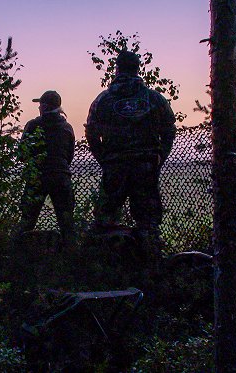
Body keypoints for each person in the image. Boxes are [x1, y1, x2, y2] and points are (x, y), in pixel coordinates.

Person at [85, 50, 176, 244]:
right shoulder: (155, 99)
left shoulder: (102, 100)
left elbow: (91, 132)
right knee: (148, 223)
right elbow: (169, 130)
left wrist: (104, 159)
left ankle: (107, 264)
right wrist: (159, 156)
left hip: (114, 166)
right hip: (145, 166)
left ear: (116, 70)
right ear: (138, 69)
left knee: (104, 220)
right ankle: (149, 265)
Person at [16, 90, 76, 246]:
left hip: (37, 177)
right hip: (61, 176)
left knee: (27, 219)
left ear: (43, 106)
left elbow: (22, 155)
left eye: (40, 104)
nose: (38, 108)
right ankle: (72, 256)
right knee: (66, 222)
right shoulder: (67, 128)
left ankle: (17, 253)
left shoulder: (33, 125)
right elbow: (69, 156)